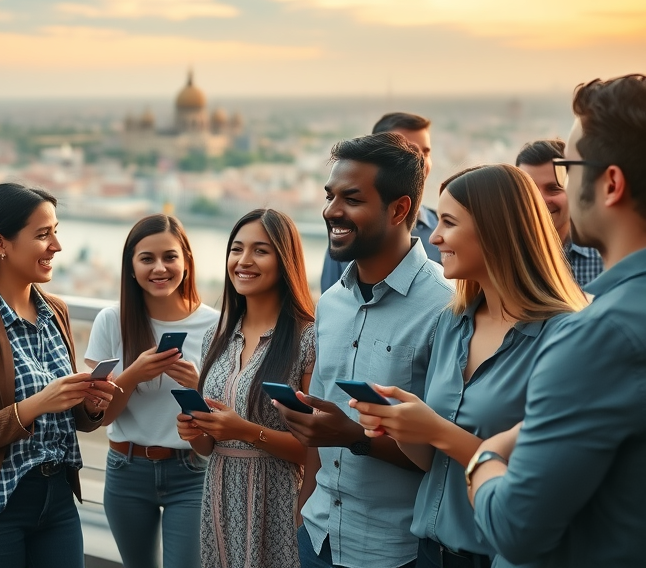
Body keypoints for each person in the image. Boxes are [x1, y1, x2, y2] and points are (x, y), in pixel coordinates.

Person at [350, 164, 586, 568]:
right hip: (429, 552)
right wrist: (405, 426)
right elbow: (431, 462)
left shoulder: (566, 336)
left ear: (496, 231)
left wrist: (437, 428)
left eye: (448, 222)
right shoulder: (451, 323)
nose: (435, 235)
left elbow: (549, 478)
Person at [468, 74, 646, 567]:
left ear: (610, 183)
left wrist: (486, 458)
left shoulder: (595, 335)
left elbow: (514, 529)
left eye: (569, 167)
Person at [282, 132, 454, 568]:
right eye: (330, 196)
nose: (331, 211)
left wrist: (356, 437)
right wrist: (304, 520)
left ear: (399, 209)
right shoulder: (331, 303)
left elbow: (446, 450)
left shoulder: (446, 307)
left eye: (352, 199)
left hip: (397, 551)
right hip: (318, 538)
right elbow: (318, 436)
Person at [0, 183, 114, 568]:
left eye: (55, 231)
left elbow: (66, 421)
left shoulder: (55, 312)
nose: (56, 246)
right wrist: (35, 405)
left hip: (58, 499)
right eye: (43, 234)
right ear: (0, 244)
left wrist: (88, 405)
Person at [176, 208, 315, 568]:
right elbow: (210, 447)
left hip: (279, 502)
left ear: (285, 260)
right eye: (236, 249)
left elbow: (315, 450)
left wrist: (247, 431)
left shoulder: (308, 339)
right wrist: (195, 431)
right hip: (220, 497)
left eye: (260, 250)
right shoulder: (216, 337)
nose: (243, 261)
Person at [84, 214, 219, 568]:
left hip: (191, 471)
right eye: (147, 258)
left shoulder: (216, 325)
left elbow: (225, 413)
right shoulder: (111, 321)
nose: (160, 268)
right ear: (131, 266)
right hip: (126, 470)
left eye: (170, 257)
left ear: (187, 261)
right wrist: (133, 374)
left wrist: (198, 385)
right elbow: (100, 418)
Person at [320, 112, 441, 292]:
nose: (419, 162)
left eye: (424, 152)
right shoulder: (346, 238)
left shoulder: (443, 234)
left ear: (400, 210)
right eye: (406, 151)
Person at [515, 139, 604, 286]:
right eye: (529, 190)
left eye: (553, 188)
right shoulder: (504, 260)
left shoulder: (604, 260)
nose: (540, 200)